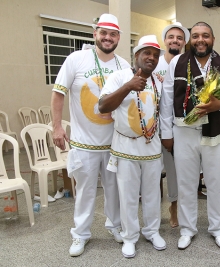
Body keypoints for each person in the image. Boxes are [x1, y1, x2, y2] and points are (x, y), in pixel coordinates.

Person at [51, 13, 131, 257]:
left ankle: (115, 226)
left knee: (114, 190)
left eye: (113, 34)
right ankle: (81, 234)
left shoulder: (124, 66)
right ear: (95, 33)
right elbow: (58, 93)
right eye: (103, 33)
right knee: (85, 191)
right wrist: (56, 126)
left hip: (115, 142)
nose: (108, 38)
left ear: (118, 37)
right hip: (84, 143)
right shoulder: (76, 59)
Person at [160, 21, 220, 250]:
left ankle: (218, 229)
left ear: (213, 39)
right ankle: (187, 229)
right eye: (195, 36)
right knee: (186, 183)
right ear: (189, 40)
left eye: (205, 35)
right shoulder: (176, 62)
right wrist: (166, 133)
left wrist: (219, 105)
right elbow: (166, 99)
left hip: (215, 133)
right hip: (184, 132)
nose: (200, 40)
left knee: (215, 183)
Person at [98, 35, 166, 258]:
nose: (152, 58)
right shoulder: (119, 76)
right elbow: (102, 106)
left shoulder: (158, 81)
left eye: (156, 55)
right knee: (127, 195)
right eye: (147, 53)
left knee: (152, 194)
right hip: (125, 147)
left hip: (152, 146)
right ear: (136, 55)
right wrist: (128, 87)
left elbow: (161, 113)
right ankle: (129, 237)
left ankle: (152, 231)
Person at [153, 22, 190, 228]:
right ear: (165, 41)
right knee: (151, 171)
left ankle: (174, 207)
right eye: (171, 37)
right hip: (148, 128)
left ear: (184, 42)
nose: (175, 40)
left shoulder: (187, 65)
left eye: (179, 38)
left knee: (175, 171)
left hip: (174, 128)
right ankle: (152, 211)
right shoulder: (153, 63)